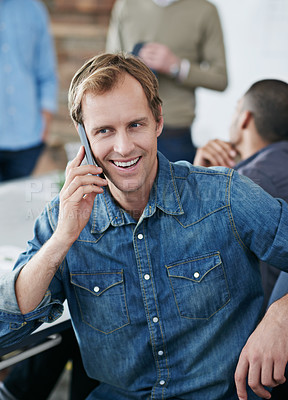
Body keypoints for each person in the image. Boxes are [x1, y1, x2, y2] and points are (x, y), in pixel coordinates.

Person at [0, 53, 288, 399]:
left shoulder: (224, 195)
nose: (123, 148)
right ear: (83, 138)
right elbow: (7, 330)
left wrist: (281, 315)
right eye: (104, 131)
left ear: (158, 121)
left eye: (135, 125)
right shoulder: (60, 220)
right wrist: (62, 238)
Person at [193, 79, 288, 311]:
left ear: (244, 117)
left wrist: (199, 179)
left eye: (235, 109)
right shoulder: (271, 167)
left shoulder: (249, 181)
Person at [106, 0, 228, 164]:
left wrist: (177, 66)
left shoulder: (205, 11)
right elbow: (108, 67)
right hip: (127, 128)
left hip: (175, 132)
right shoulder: (126, 5)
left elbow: (220, 78)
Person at [0, 0, 58, 182]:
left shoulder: (33, 9)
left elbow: (47, 72)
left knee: (17, 208)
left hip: (28, 139)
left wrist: (45, 120)